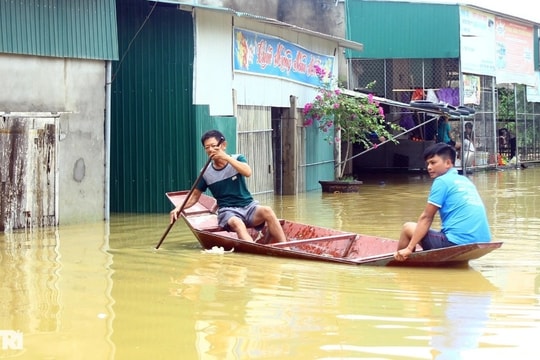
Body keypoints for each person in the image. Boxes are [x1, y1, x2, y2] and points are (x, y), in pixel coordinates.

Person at [170, 129, 287, 243]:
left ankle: (285, 248)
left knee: (268, 211)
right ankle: (255, 252)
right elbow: (194, 197)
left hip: (248, 206)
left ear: (223, 145)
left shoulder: (237, 159)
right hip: (228, 212)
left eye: (213, 146)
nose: (211, 150)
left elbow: (248, 172)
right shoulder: (205, 172)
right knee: (237, 223)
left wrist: (226, 157)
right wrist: (179, 208)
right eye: (207, 148)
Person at [394, 142, 491, 261]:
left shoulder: (442, 181)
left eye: (433, 162)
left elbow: (426, 217)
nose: (429, 167)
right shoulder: (465, 180)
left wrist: (409, 248)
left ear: (448, 163)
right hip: (484, 241)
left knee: (407, 227)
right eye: (428, 163)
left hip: (456, 243)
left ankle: (401, 264)